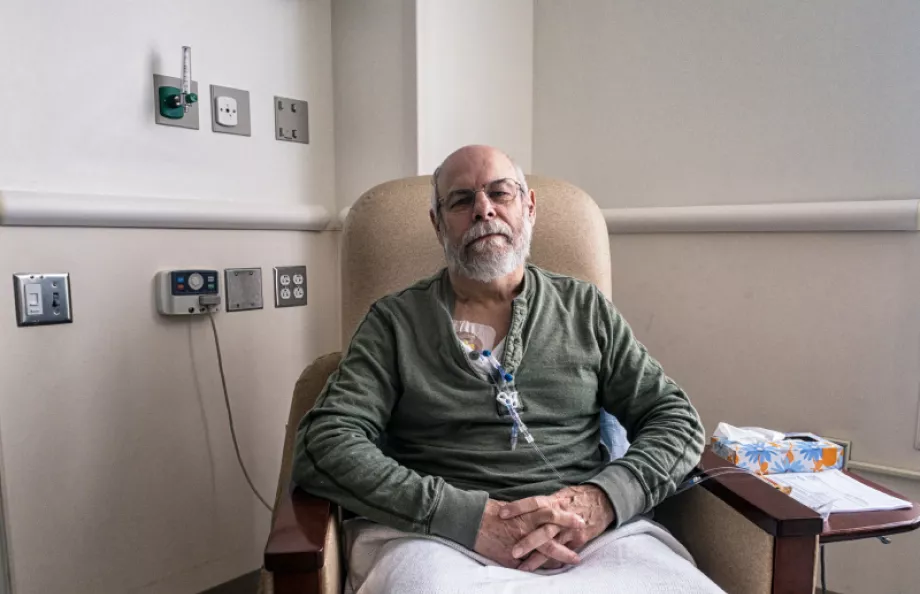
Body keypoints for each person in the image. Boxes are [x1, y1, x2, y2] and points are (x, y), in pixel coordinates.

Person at [292, 145, 721, 593]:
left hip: (588, 536)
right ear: (438, 224)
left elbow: (676, 420)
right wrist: (466, 517)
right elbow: (325, 442)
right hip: (437, 541)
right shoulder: (394, 324)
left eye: (500, 193)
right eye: (461, 200)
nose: (483, 210)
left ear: (529, 207)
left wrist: (601, 500)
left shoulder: (585, 309)